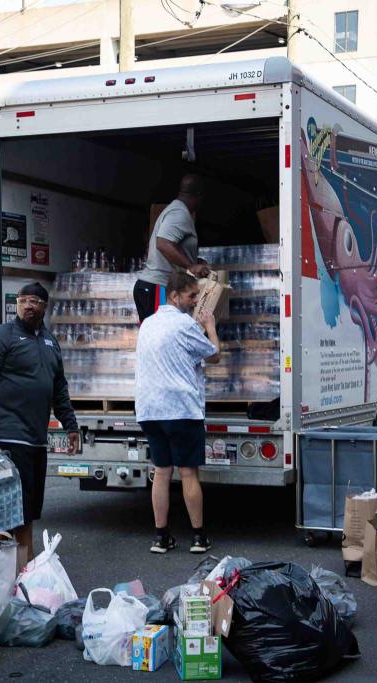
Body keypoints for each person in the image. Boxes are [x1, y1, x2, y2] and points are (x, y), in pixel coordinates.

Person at [0, 282, 79, 568]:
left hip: (35, 440)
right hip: (7, 438)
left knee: (28, 511)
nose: (28, 306)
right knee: (6, 511)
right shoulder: (2, 338)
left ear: (44, 306)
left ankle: (24, 569)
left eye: (34, 301)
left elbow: (59, 388)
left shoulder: (50, 341)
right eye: (23, 301)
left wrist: (71, 425)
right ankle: (0, 571)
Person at [135, 270, 221, 554]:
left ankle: (161, 537)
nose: (195, 300)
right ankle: (198, 536)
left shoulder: (147, 324)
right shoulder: (185, 325)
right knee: (187, 472)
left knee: (161, 472)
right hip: (181, 408)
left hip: (150, 409)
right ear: (174, 295)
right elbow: (214, 354)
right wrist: (210, 325)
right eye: (191, 296)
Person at [134, 174, 211, 323]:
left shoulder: (176, 210)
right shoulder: (179, 214)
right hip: (158, 286)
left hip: (156, 286)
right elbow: (163, 243)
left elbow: (173, 245)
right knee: (162, 338)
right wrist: (191, 265)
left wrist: (193, 260)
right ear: (199, 195)